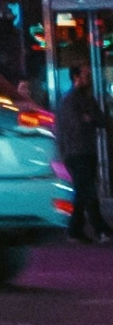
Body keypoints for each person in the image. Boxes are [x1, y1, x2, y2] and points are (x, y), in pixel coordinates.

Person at [63, 63, 106, 243]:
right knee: (87, 190)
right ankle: (101, 229)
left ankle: (75, 230)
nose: (88, 79)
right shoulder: (70, 100)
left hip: (85, 150)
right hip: (76, 151)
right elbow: (77, 125)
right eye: (86, 75)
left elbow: (100, 119)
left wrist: (90, 118)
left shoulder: (86, 99)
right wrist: (89, 119)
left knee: (82, 191)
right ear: (76, 77)